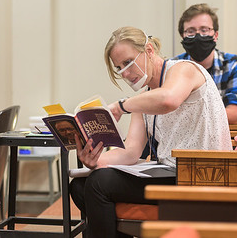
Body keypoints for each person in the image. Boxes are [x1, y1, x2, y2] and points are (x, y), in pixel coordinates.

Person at [70, 26, 232, 238]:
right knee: (80, 186)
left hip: (203, 175)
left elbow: (168, 99)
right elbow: (131, 151)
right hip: (173, 173)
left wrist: (121, 106)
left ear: (148, 50)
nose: (125, 73)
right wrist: (96, 160)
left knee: (99, 184)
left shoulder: (184, 69)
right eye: (119, 68)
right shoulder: (145, 95)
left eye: (128, 62)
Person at [174, 3, 237, 123]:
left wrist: (188, 117)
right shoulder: (172, 67)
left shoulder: (233, 64)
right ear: (183, 36)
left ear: (215, 35)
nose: (198, 36)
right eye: (190, 31)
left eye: (204, 30)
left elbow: (234, 113)